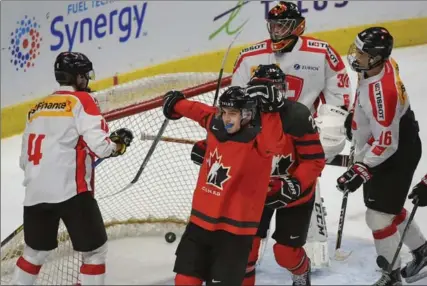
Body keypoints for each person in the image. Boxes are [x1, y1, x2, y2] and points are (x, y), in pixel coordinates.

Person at [231, 0, 352, 271]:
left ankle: (310, 256)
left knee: (303, 189)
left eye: (282, 25)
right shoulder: (249, 57)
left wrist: (323, 141)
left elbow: (338, 103)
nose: (275, 31)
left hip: (302, 138)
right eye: (272, 25)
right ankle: (249, 254)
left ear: (299, 26)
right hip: (262, 145)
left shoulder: (321, 53)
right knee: (254, 202)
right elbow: (234, 105)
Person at [163, 79, 320, 285]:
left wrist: (296, 184)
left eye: (233, 113)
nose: (226, 119)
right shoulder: (216, 121)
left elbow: (301, 154)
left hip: (246, 219)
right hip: (204, 220)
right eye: (224, 112)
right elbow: (199, 111)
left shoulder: (267, 136)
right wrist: (175, 104)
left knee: (284, 253)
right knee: (186, 280)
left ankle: (300, 271)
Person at [12, 52, 134, 285]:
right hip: (72, 193)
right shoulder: (82, 101)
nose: (87, 80)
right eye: (85, 75)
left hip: (35, 193)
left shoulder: (35, 108)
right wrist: (118, 144)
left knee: (34, 254)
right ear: (78, 77)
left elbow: (23, 160)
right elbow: (100, 146)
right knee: (95, 253)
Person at [337, 27, 426, 285]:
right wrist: (355, 117)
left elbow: (387, 143)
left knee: (377, 216)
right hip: (390, 143)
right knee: (386, 209)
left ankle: (392, 276)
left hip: (395, 152)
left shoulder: (383, 93)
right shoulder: (375, 67)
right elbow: (364, 96)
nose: (356, 57)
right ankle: (422, 250)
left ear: (377, 57)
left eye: (363, 54)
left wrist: (361, 167)